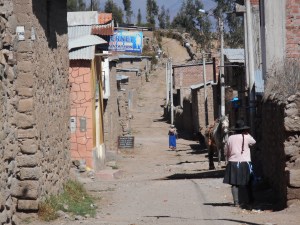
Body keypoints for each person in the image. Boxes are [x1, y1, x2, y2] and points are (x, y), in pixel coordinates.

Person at [223, 119, 256, 207]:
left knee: (234, 183)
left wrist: (228, 157)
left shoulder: (230, 138)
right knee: (248, 182)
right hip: (245, 162)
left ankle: (236, 202)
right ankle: (251, 199)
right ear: (244, 129)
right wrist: (247, 134)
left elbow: (226, 151)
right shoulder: (247, 137)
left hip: (233, 162)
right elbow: (254, 142)